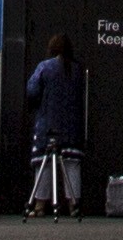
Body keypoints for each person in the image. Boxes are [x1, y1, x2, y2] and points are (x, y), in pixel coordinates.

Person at [24, 31, 84, 218]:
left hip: (47, 124)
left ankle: (40, 206)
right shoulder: (77, 69)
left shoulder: (45, 67)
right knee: (71, 165)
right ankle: (73, 205)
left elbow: (32, 91)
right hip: (72, 126)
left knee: (44, 163)